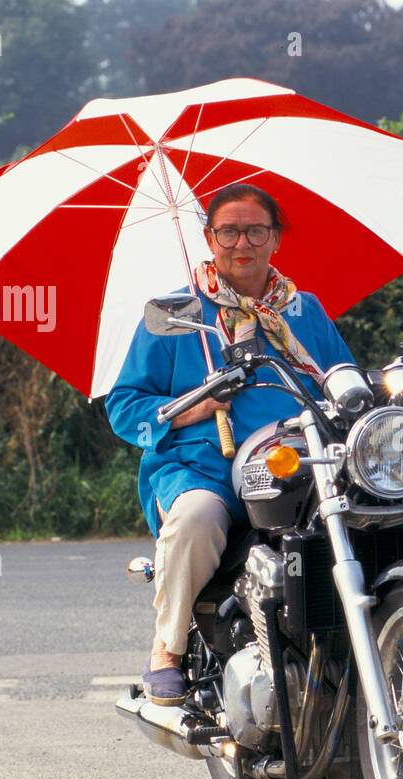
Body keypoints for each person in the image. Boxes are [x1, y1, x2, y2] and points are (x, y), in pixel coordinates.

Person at [106, 184, 356, 706]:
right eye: (228, 231)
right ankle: (167, 650)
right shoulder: (177, 315)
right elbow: (124, 404)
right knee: (195, 518)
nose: (242, 242)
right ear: (209, 238)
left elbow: (342, 380)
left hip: (296, 466)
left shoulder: (304, 312)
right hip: (202, 467)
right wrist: (190, 408)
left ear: (276, 239)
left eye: (256, 230)